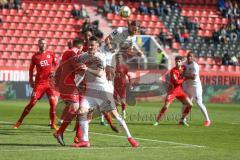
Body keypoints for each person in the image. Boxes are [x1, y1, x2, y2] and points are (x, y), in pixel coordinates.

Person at [72, 36, 139, 148]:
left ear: (97, 47)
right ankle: (85, 141)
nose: (90, 47)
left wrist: (86, 68)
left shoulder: (100, 57)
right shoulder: (85, 55)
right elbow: (75, 61)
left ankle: (130, 138)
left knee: (115, 115)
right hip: (90, 92)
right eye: (89, 45)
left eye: (92, 45)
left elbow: (99, 73)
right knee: (81, 112)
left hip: (102, 91)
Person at [13, 38, 58, 130]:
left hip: (49, 83)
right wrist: (30, 81)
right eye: (41, 43)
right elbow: (30, 69)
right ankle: (19, 121)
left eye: (44, 43)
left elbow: (56, 64)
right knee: (32, 103)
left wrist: (54, 71)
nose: (43, 45)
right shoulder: (35, 57)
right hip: (39, 84)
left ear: (46, 44)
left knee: (53, 103)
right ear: (38, 45)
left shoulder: (51, 54)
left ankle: (53, 124)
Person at [53, 38, 84, 146]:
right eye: (81, 49)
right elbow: (80, 69)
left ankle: (77, 136)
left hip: (65, 84)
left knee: (78, 110)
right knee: (76, 109)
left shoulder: (67, 53)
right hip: (69, 85)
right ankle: (59, 132)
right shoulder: (72, 53)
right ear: (80, 46)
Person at [153, 56, 193, 126]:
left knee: (190, 104)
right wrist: (186, 78)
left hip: (180, 91)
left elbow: (188, 68)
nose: (177, 63)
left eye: (179, 61)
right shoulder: (173, 71)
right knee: (166, 106)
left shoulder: (184, 68)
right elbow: (177, 82)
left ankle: (182, 120)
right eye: (176, 61)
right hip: (172, 91)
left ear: (181, 62)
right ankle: (157, 121)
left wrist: (191, 75)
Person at [183, 52, 211, 127]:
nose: (189, 57)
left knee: (199, 103)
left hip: (196, 86)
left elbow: (193, 77)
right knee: (186, 103)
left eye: (191, 56)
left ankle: (208, 120)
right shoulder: (184, 64)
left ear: (193, 57)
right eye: (188, 56)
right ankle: (183, 119)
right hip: (188, 86)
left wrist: (184, 75)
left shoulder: (195, 65)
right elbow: (180, 72)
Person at [114, 54, 132, 119]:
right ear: (115, 59)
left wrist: (130, 84)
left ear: (121, 59)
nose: (118, 59)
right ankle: (116, 113)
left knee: (122, 100)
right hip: (115, 85)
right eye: (117, 57)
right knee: (114, 100)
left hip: (122, 85)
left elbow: (129, 76)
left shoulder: (124, 67)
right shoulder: (113, 66)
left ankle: (123, 112)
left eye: (119, 57)